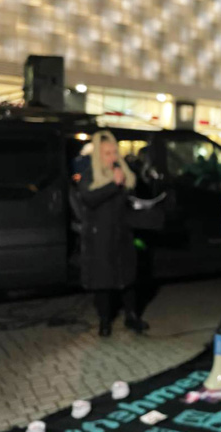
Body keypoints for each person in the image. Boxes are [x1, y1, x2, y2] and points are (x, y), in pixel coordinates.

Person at [78, 130, 148, 337]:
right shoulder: (90, 173)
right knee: (103, 280)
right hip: (100, 236)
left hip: (122, 234)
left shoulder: (123, 171)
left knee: (128, 277)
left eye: (114, 152)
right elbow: (89, 198)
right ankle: (104, 321)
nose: (112, 157)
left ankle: (132, 317)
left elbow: (130, 198)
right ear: (98, 155)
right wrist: (113, 185)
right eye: (107, 153)